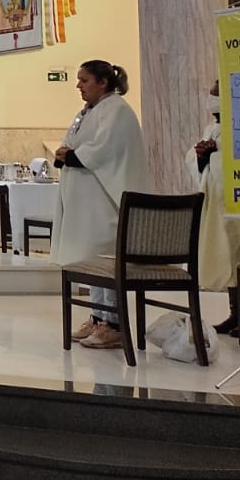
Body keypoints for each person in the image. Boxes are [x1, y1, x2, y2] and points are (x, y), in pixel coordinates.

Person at [54, 60, 148, 353]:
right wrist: (64, 153)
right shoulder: (89, 111)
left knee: (106, 258)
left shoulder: (116, 110)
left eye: (84, 80)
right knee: (90, 257)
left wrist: (72, 156)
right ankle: (98, 317)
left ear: (103, 82)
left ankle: (114, 324)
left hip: (106, 201)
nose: (78, 85)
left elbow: (103, 150)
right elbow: (71, 143)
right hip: (89, 203)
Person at [187, 81, 240, 335]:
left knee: (238, 256)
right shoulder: (212, 128)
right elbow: (193, 159)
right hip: (217, 202)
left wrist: (213, 156)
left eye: (216, 93)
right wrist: (201, 155)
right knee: (228, 257)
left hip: (235, 201)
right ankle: (235, 313)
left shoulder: (237, 125)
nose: (211, 98)